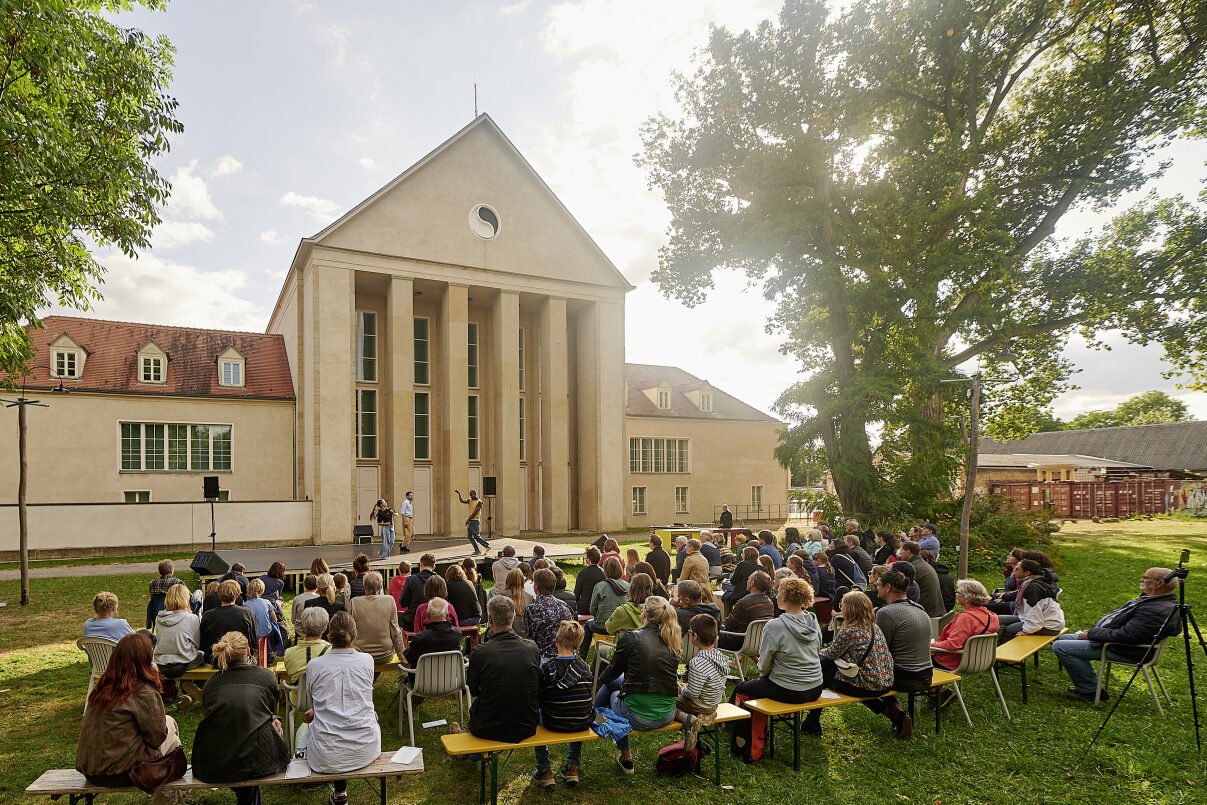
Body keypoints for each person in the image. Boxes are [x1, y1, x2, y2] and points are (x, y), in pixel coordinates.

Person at [75, 633, 186, 805]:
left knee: (169, 730)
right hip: (122, 772)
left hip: (90, 769)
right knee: (172, 737)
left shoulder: (102, 687)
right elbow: (156, 738)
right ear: (145, 659)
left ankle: (172, 798)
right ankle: (170, 801)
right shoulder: (143, 691)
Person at [191, 631, 290, 805]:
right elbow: (268, 706)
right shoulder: (265, 676)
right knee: (247, 758)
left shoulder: (211, 684)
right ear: (248, 652)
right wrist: (273, 719)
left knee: (243, 754)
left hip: (216, 755)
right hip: (256, 754)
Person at [1053, 567, 1180, 702]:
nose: (1140, 579)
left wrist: (1093, 634)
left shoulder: (1155, 609)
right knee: (1063, 638)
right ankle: (1089, 686)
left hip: (1127, 649)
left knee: (1061, 647)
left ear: (1159, 583)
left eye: (1145, 577)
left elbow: (1127, 636)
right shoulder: (1154, 601)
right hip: (1120, 643)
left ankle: (1091, 692)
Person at [730, 577, 823, 760]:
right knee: (753, 686)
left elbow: (764, 665)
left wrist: (764, 676)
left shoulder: (775, 625)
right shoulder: (813, 621)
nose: (776, 595)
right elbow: (817, 649)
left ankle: (737, 731)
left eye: (779, 592)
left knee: (742, 688)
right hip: (814, 687)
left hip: (789, 689)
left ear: (786, 598)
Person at [298, 612, 380, 805]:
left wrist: (316, 710)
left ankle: (339, 793)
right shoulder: (367, 660)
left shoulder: (315, 665)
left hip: (326, 754)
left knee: (311, 730)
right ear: (355, 636)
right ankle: (339, 793)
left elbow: (315, 701)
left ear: (329, 635)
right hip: (365, 747)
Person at [594, 597, 682, 773]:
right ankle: (593, 713)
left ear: (645, 614)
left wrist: (594, 681)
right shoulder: (672, 639)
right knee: (614, 687)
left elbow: (612, 672)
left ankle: (625, 756)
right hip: (667, 713)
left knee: (613, 693)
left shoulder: (631, 637)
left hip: (640, 717)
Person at [811, 590, 893, 735]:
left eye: (842, 606)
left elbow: (831, 654)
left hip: (866, 684)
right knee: (828, 667)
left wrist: (813, 653)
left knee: (822, 671)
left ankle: (812, 720)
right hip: (884, 680)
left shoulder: (849, 630)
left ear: (850, 609)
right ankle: (896, 713)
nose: (840, 609)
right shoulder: (874, 627)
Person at [864, 568, 932, 738]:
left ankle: (896, 714)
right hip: (927, 675)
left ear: (888, 587)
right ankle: (897, 714)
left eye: (878, 585)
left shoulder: (886, 612)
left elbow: (879, 651)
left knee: (850, 680)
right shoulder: (919, 607)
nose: (876, 588)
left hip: (905, 677)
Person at [466, 595, 541, 742]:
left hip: (488, 726)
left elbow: (473, 688)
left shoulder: (480, 653)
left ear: (490, 620)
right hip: (526, 724)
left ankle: (472, 754)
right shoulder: (532, 649)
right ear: (513, 617)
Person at [532, 621, 594, 788]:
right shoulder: (585, 668)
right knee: (577, 709)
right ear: (579, 643)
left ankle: (544, 770)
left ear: (556, 640)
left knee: (537, 714)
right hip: (581, 722)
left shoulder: (547, 668)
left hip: (553, 721)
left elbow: (540, 698)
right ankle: (572, 767)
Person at [931, 579, 999, 679]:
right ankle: (940, 692)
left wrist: (931, 645)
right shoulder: (992, 616)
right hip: (981, 661)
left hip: (954, 662)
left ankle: (938, 692)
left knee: (914, 662)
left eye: (958, 592)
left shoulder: (966, 618)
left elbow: (953, 644)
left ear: (967, 598)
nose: (955, 594)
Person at [154, 583, 206, 699]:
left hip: (162, 663)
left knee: (186, 652)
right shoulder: (191, 618)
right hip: (184, 662)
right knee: (202, 656)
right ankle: (195, 688)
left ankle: (187, 690)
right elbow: (198, 644)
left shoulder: (159, 618)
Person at [676, 613, 727, 727]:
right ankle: (707, 715)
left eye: (689, 632)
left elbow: (693, 694)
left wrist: (682, 690)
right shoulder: (720, 656)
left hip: (699, 705)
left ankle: (687, 718)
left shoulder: (697, 662)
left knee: (669, 703)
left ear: (694, 636)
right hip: (713, 703)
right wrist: (687, 687)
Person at [997, 559, 1064, 642]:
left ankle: (1003, 653)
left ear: (1027, 573)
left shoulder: (1032, 587)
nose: (1014, 571)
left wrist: (1026, 631)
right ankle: (994, 650)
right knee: (998, 619)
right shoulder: (1031, 582)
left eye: (1017, 569)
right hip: (1038, 620)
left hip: (1048, 626)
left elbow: (1034, 613)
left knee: (1008, 630)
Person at [348, 571, 406, 662]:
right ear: (380, 586)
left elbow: (349, 630)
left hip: (360, 654)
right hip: (385, 655)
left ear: (365, 586)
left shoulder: (354, 602)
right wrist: (402, 655)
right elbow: (395, 629)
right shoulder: (389, 600)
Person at [199, 580, 257, 666]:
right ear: (237, 595)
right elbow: (254, 641)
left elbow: (203, 644)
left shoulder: (208, 615)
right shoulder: (247, 613)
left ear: (219, 595)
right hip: (241, 658)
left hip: (216, 660)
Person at [580, 557, 629, 656]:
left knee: (588, 625)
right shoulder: (628, 586)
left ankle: (582, 655)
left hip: (603, 626)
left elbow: (592, 610)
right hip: (621, 626)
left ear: (605, 571)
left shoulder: (600, 586)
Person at [401, 597, 462, 674]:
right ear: (447, 614)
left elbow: (409, 658)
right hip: (450, 681)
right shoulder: (457, 634)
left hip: (423, 683)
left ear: (428, 615)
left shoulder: (420, 638)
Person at [526, 568, 575, 659]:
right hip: (564, 656)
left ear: (536, 587)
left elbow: (529, 638)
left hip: (541, 658)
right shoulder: (565, 606)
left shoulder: (532, 609)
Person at [720, 571, 774, 650]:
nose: (747, 581)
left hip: (739, 642)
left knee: (710, 632)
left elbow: (728, 624)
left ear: (752, 583)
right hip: (759, 642)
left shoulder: (745, 603)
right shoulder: (769, 603)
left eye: (748, 579)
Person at [283, 606, 331, 697]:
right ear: (324, 629)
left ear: (302, 628)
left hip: (298, 700)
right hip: (324, 699)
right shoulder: (331, 651)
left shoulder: (289, 653)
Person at [900, 541, 946, 617]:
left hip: (927, 612)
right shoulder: (920, 563)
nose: (899, 553)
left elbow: (902, 591)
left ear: (908, 552)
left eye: (901, 550)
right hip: (935, 610)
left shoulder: (913, 567)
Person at [242, 578, 281, 661]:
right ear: (262, 590)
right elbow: (275, 619)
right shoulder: (266, 602)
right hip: (266, 632)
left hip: (253, 635)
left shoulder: (245, 605)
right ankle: (269, 654)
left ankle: (251, 654)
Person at [605, 572, 654, 638]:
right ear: (651, 589)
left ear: (632, 588)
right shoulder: (656, 609)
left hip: (625, 647)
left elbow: (609, 629)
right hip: (648, 647)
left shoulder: (622, 611)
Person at [397, 553, 437, 630]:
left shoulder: (411, 579)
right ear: (434, 567)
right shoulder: (440, 581)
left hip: (413, 622)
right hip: (433, 622)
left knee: (396, 616)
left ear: (421, 564)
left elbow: (403, 603)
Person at [490, 567, 533, 638]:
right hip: (524, 636)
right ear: (522, 580)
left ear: (508, 579)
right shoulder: (530, 597)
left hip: (504, 636)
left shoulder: (500, 596)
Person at [680, 539, 721, 608]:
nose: (685, 548)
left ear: (691, 548)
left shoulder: (689, 560)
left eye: (687, 546)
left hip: (694, 590)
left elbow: (683, 578)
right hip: (706, 588)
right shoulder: (704, 559)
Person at [148, 559, 186, 624]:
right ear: (171, 570)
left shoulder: (152, 584)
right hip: (175, 614)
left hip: (157, 613)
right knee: (198, 592)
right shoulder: (177, 583)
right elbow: (188, 597)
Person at [456, 488, 491, 554]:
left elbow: (475, 512)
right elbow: (462, 501)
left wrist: (468, 520)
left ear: (475, 494)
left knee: (476, 536)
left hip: (475, 521)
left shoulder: (479, 502)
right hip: (470, 521)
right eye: (470, 495)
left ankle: (487, 546)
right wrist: (459, 493)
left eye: (472, 495)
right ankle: (477, 550)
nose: (471, 497)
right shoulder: (470, 500)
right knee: (470, 536)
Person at [574, 547, 605, 616]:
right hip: (599, 607)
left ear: (588, 559)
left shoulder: (583, 573)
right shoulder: (604, 572)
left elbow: (576, 593)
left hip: (584, 607)